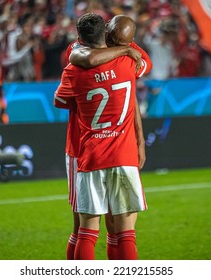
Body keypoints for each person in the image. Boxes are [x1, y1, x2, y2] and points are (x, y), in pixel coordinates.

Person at [55, 13, 148, 260]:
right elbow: (85, 55)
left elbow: (60, 100)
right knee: (121, 231)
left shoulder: (74, 71)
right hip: (105, 150)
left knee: (89, 229)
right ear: (106, 32)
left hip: (91, 151)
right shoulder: (128, 61)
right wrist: (125, 52)